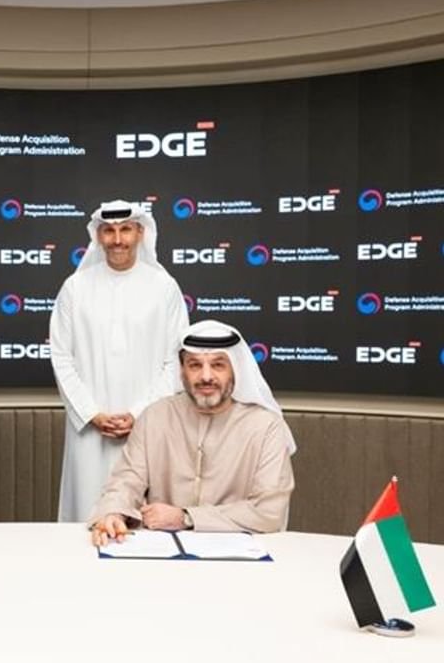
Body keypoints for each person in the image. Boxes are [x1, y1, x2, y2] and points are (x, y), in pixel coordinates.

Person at [90, 320, 296, 545]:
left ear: (235, 370)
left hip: (238, 553)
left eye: (218, 365)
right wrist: (114, 512)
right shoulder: (154, 417)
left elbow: (268, 512)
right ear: (182, 371)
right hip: (161, 550)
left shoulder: (266, 427)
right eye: (195, 365)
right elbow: (126, 480)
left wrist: (186, 517)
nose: (206, 376)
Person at [50, 200, 189, 522]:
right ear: (98, 236)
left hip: (147, 425)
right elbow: (61, 356)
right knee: (85, 513)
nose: (117, 239)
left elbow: (174, 361)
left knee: (144, 518)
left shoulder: (164, 288)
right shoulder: (75, 288)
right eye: (109, 231)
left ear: (140, 233)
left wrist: (139, 413)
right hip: (89, 429)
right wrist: (92, 414)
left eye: (125, 230)